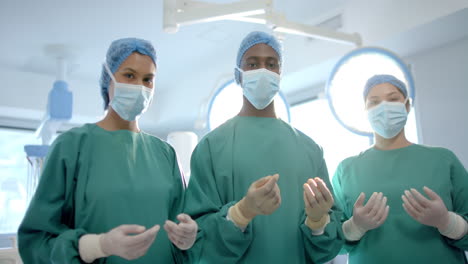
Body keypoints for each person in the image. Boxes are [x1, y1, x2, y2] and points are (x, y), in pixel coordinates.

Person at [18, 38, 198, 264]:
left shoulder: (165, 154)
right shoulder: (72, 147)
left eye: (147, 79)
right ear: (108, 78)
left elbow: (181, 228)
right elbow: (36, 241)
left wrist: (188, 238)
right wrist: (97, 246)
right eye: (129, 75)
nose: (139, 87)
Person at [183, 31, 344, 264]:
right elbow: (198, 243)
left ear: (280, 73)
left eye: (271, 64)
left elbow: (327, 248)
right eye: (252, 63)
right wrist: (241, 212)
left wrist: (318, 222)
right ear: (238, 75)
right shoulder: (211, 147)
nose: (262, 70)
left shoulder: (310, 149)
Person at [332, 74, 468, 263]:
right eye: (374, 102)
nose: (384, 107)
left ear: (406, 106)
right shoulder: (346, 170)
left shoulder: (443, 160)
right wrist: (355, 226)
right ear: (365, 110)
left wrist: (447, 222)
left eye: (393, 98)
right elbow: (331, 243)